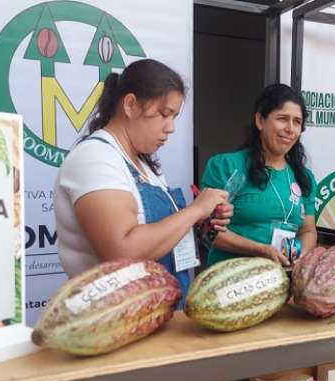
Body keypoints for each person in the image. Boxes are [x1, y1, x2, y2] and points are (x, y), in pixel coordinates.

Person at [54, 59, 232, 306]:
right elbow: (121, 250)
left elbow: (160, 235)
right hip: (113, 320)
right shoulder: (94, 158)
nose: (170, 128)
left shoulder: (144, 164)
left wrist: (201, 224)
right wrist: (195, 210)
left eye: (174, 117)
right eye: (164, 114)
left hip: (158, 312)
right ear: (130, 105)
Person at [200, 84, 318, 266]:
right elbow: (208, 230)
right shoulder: (227, 166)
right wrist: (261, 250)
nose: (290, 129)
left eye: (297, 122)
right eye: (283, 119)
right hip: (230, 279)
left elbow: (307, 230)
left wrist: (295, 255)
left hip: (280, 281)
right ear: (260, 121)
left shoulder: (304, 178)